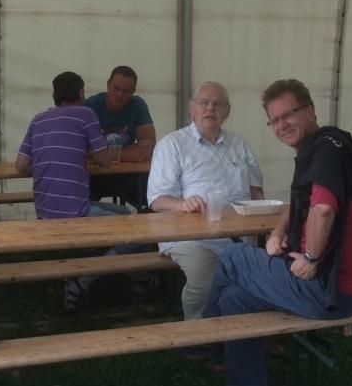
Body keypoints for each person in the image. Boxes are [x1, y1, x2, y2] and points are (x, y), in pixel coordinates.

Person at [200, 79, 352, 386]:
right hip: (337, 288)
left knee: (233, 256)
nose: (282, 125)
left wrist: (311, 257)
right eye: (274, 120)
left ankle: (205, 340)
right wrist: (280, 230)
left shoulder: (324, 155)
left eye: (288, 115)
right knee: (234, 299)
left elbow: (323, 210)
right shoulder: (329, 145)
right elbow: (298, 203)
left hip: (328, 291)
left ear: (310, 111)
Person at [16, 71, 152, 311]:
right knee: (139, 228)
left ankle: (134, 272)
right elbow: (105, 161)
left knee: (123, 213)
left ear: (54, 95)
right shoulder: (86, 114)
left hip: (44, 210)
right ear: (81, 93)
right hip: (75, 211)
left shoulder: (38, 119)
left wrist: (49, 161)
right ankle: (84, 280)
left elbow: (20, 165)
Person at [147, 82, 264, 320]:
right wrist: (182, 204)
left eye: (218, 104)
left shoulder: (240, 143)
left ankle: (240, 330)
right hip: (187, 237)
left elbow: (256, 193)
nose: (210, 108)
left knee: (261, 276)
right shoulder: (172, 144)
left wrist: (263, 227)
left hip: (236, 235)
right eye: (204, 103)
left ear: (227, 112)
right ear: (191, 108)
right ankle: (199, 332)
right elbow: (157, 200)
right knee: (205, 279)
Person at [84, 66, 157, 209]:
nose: (119, 95)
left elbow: (148, 148)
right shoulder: (90, 106)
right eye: (116, 88)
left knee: (154, 194)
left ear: (133, 91)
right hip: (94, 176)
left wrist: (101, 154)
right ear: (108, 85)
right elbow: (80, 150)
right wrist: (126, 153)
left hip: (126, 175)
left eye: (126, 91)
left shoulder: (138, 105)